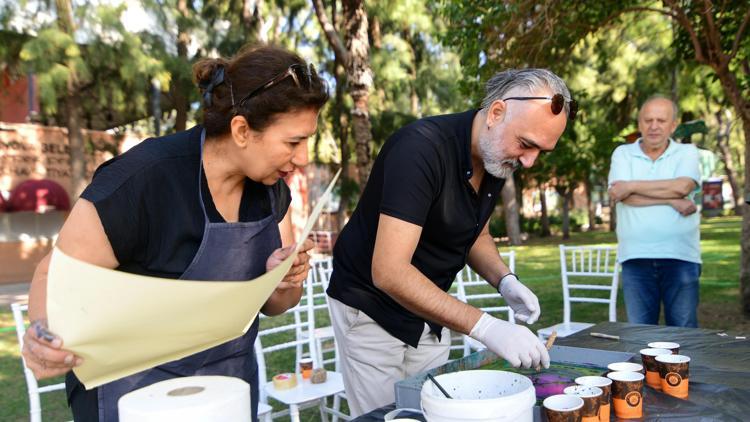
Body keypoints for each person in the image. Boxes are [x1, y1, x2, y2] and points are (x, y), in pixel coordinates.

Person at [21, 45, 329, 422]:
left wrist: (282, 280)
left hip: (225, 390)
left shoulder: (271, 188)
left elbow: (276, 304)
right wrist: (41, 333)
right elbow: (52, 276)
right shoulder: (144, 179)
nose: (304, 158)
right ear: (242, 130)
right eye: (294, 142)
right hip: (130, 394)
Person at [327, 69, 577, 415]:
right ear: (496, 113)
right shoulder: (420, 149)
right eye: (526, 144)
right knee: (389, 415)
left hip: (430, 310)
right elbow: (389, 271)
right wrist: (486, 327)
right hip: (371, 310)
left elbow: (477, 233)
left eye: (541, 151)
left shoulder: (495, 159)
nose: (529, 161)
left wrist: (505, 280)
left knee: (437, 411)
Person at [608, 95, 701, 328]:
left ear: (673, 125)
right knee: (640, 335)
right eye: (648, 120)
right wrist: (672, 199)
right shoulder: (623, 153)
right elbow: (619, 194)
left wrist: (631, 186)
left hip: (680, 256)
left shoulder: (687, 152)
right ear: (639, 123)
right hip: (635, 257)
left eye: (661, 120)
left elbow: (683, 186)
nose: (654, 126)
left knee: (684, 335)